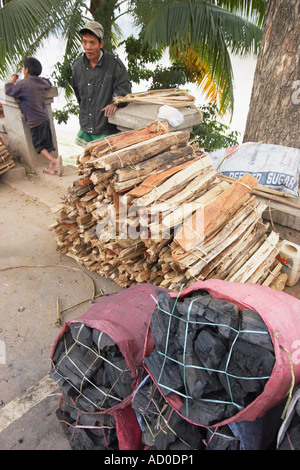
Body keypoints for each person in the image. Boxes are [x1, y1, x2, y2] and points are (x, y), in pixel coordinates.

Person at [72, 20, 132, 147]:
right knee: (87, 163)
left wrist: (115, 102)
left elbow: (124, 88)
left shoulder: (114, 64)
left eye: (92, 42)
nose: (88, 47)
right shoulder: (77, 66)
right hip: (86, 125)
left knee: (105, 162)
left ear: (101, 44)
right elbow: (78, 95)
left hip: (106, 127)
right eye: (84, 42)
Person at [5, 57, 63, 176]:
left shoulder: (23, 84)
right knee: (49, 144)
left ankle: (55, 162)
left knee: (39, 146)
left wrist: (12, 80)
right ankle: (51, 169)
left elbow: (9, 90)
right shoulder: (41, 82)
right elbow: (48, 83)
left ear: (26, 70)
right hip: (45, 117)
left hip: (34, 120)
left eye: (23, 68)